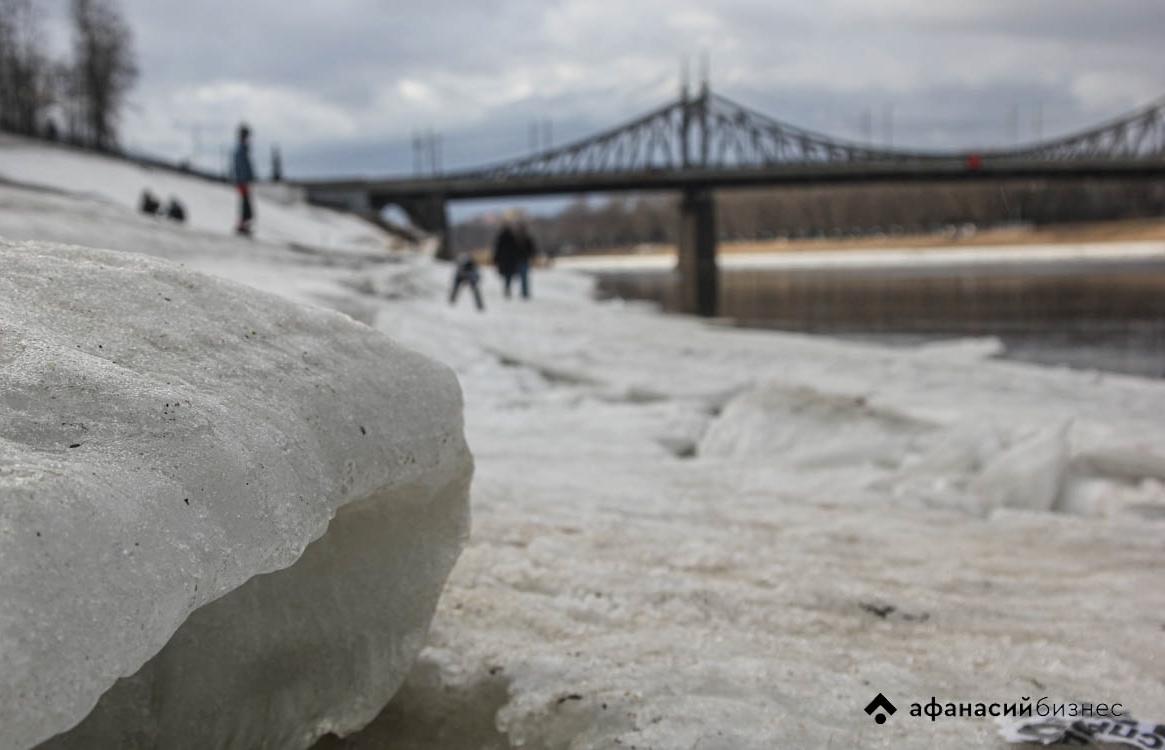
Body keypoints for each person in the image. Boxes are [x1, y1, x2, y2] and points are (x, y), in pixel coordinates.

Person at [233, 124, 255, 236]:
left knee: (246, 204)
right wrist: (244, 180)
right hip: (243, 182)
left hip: (243, 181)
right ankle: (242, 226)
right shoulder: (241, 149)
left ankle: (244, 225)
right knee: (245, 205)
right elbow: (242, 167)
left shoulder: (242, 149)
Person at [492, 220, 520, 297]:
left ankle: (507, 288)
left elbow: (497, 250)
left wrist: (495, 259)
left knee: (506, 276)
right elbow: (516, 250)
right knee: (509, 276)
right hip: (511, 261)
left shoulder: (501, 238)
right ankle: (507, 288)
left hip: (503, 261)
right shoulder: (513, 238)